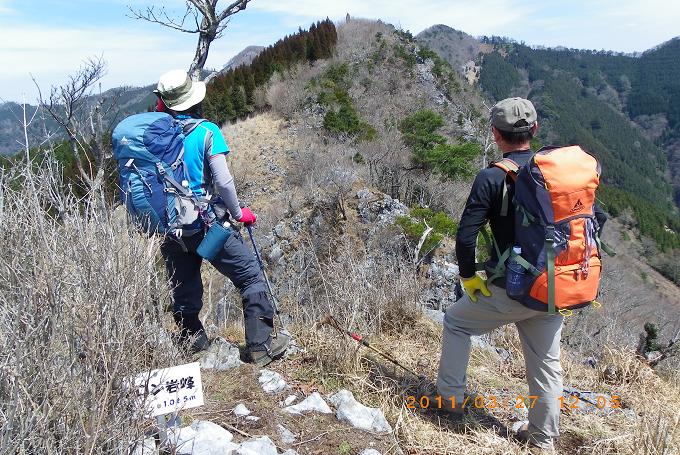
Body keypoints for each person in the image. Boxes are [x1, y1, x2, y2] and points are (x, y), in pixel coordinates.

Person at [435, 98, 606, 452]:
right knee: (546, 365)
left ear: (496, 135)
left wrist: (469, 277)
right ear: (535, 131)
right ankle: (543, 440)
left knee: (456, 322)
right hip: (554, 287)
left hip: (510, 289)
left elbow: (466, 236)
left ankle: (449, 404)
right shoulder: (557, 177)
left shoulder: (492, 177)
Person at [154, 69, 289, 366]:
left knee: (184, 284)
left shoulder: (156, 135)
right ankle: (261, 346)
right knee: (250, 275)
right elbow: (224, 182)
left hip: (170, 227)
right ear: (193, 101)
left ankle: (194, 342)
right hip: (204, 225)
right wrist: (240, 214)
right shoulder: (206, 132)